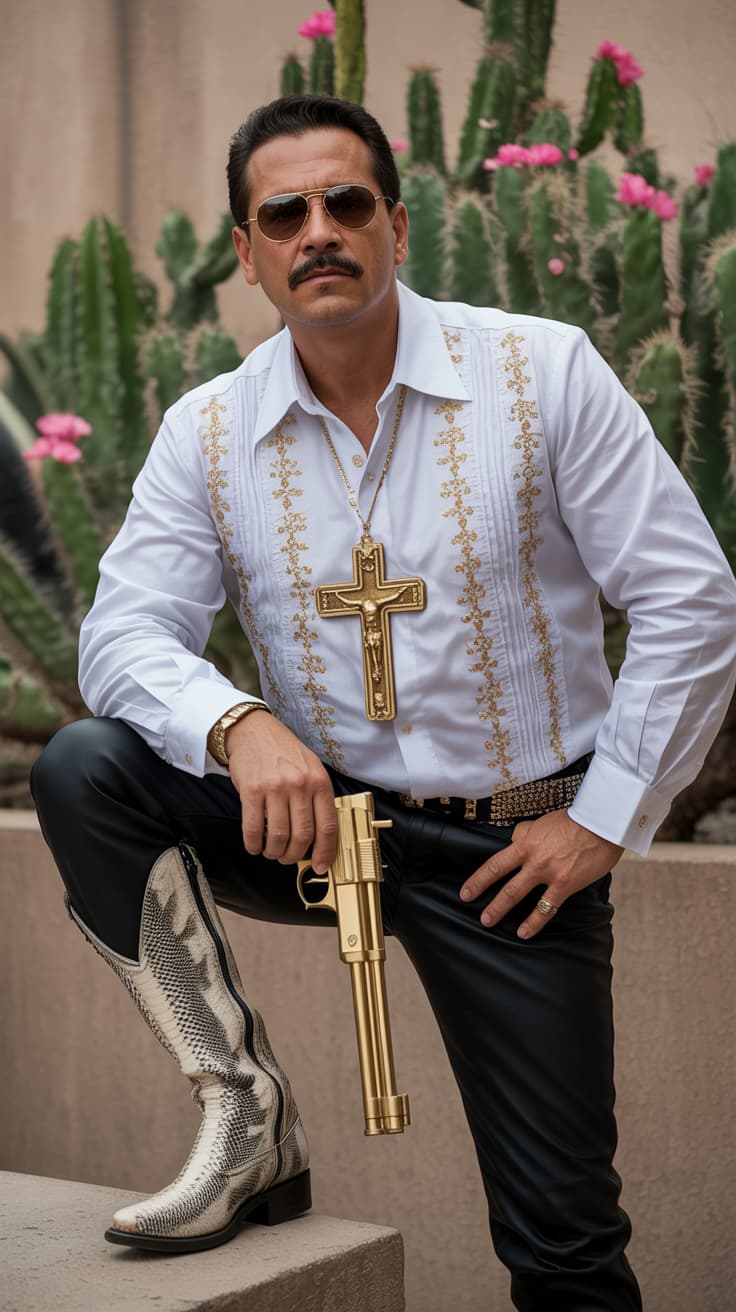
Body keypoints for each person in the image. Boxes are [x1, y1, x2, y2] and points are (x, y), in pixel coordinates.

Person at [31, 93, 735, 1308]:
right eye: (284, 213)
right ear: (246, 255)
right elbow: (122, 633)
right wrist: (242, 727)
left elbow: (690, 598)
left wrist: (606, 816)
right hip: (322, 830)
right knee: (87, 766)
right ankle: (241, 1109)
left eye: (346, 203)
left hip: (517, 850)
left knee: (565, 1242)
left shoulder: (541, 372)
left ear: (397, 227)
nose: (320, 231)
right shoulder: (210, 431)